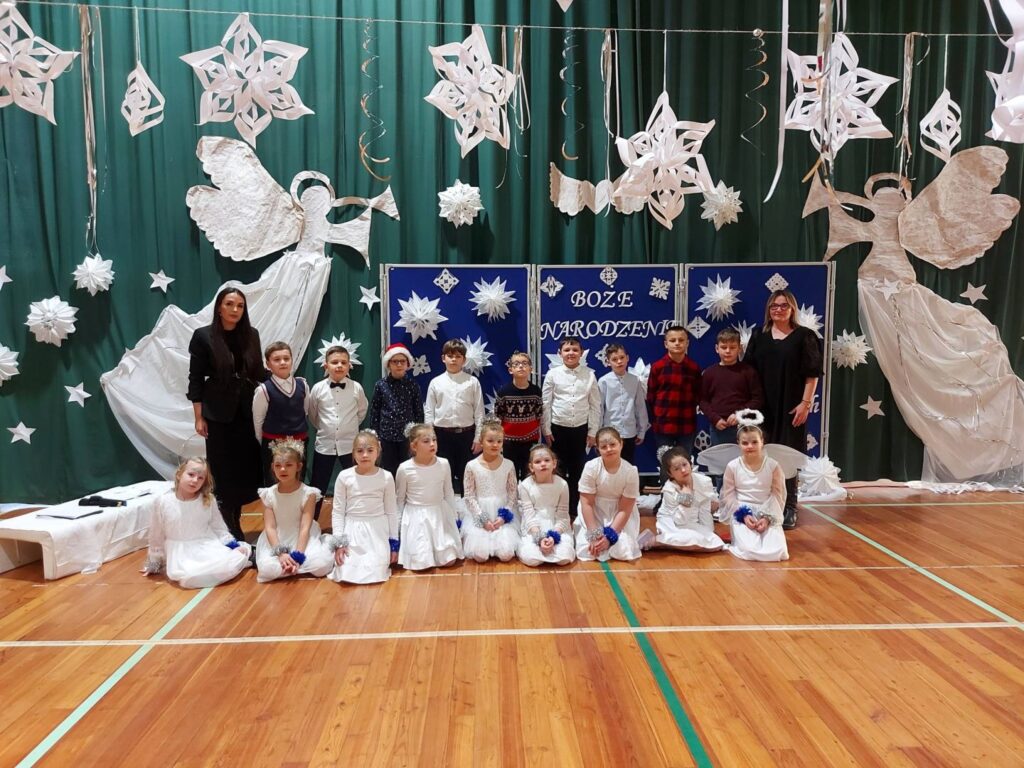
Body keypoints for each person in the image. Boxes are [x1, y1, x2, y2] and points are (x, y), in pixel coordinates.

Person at [187, 286, 265, 541]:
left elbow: (258, 371)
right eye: (229, 304)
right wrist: (198, 416)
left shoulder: (251, 335)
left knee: (244, 469)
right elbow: (195, 379)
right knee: (222, 470)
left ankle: (235, 519)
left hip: (247, 412)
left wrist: (285, 380)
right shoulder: (203, 336)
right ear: (219, 307)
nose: (235, 309)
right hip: (218, 413)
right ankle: (228, 525)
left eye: (240, 306)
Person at [744, 290, 823, 529]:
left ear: (792, 309)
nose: (778, 309)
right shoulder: (758, 335)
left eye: (784, 305)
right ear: (768, 310)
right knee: (760, 454)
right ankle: (763, 503)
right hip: (762, 407)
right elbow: (748, 371)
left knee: (787, 456)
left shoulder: (805, 336)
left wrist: (805, 403)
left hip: (791, 407)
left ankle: (789, 507)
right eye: (774, 306)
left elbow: (812, 374)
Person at [141, 457, 252, 589]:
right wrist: (154, 562)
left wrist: (233, 545)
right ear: (179, 474)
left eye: (200, 478)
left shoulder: (208, 500)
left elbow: (218, 527)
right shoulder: (163, 501)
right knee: (189, 574)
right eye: (191, 474)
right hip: (180, 553)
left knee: (233, 559)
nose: (195, 480)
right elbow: (156, 535)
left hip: (206, 544)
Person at [254, 439, 334, 582]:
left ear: (298, 466)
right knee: (267, 570)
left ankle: (323, 543)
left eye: (288, 465)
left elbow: (305, 527)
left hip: (302, 538)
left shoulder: (308, 493)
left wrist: (298, 556)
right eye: (278, 465)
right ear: (272, 467)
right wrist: (281, 553)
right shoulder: (268, 494)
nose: (282, 469)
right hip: (278, 538)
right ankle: (290, 566)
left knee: (320, 567)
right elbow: (270, 527)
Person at [328, 430, 399, 585]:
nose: (365, 455)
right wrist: (339, 543)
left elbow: (391, 512)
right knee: (346, 570)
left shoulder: (386, 477)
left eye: (370, 450)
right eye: (360, 451)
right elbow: (338, 512)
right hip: (352, 531)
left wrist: (394, 543)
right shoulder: (344, 477)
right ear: (353, 453)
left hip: (377, 531)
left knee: (375, 571)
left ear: (378, 451)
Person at [542, 336, 601, 517]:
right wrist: (546, 429)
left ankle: (575, 508)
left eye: (575, 350)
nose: (571, 353)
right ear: (560, 353)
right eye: (567, 350)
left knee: (577, 470)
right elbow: (546, 403)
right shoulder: (552, 374)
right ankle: (557, 507)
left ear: (581, 353)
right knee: (557, 469)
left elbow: (595, 405)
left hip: (580, 429)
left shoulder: (590, 375)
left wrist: (593, 432)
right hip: (558, 428)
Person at [308, 345, 368, 520]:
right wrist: (327, 428)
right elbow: (313, 414)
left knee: (355, 483)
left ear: (349, 365)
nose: (339, 365)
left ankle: (357, 520)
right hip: (324, 445)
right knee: (317, 486)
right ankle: (312, 524)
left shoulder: (356, 388)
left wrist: (347, 428)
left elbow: (361, 412)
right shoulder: (318, 388)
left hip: (350, 446)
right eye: (335, 362)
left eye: (343, 362)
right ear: (326, 365)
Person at [395, 424, 463, 570]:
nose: (432, 444)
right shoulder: (405, 468)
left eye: (434, 440)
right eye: (426, 441)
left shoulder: (444, 464)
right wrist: (398, 528)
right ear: (414, 446)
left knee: (449, 561)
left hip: (439, 514)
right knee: (421, 563)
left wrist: (454, 517)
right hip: (416, 517)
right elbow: (399, 500)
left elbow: (449, 492)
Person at [720, 422, 789, 562]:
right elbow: (728, 495)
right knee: (749, 550)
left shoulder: (773, 466)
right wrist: (744, 515)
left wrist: (767, 518)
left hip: (768, 510)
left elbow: (778, 495)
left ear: (762, 442)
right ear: (738, 443)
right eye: (745, 443)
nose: (750, 446)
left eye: (754, 442)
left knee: (778, 551)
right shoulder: (733, 466)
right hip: (742, 511)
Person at [424, 339, 484, 495]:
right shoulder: (435, 382)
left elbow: (479, 412)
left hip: (466, 436)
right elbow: (429, 412)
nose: (454, 360)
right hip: (442, 436)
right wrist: (431, 438)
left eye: (458, 356)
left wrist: (478, 438)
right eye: (450, 356)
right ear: (443, 358)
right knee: (444, 479)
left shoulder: (472, 382)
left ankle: (468, 509)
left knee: (468, 479)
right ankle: (446, 509)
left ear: (464, 360)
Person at [574, 427, 642, 561]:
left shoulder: (631, 471)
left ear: (621, 444)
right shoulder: (591, 467)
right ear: (598, 449)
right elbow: (586, 504)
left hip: (619, 514)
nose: (609, 449)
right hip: (594, 512)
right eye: (604, 447)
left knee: (623, 551)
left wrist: (610, 536)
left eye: (613, 444)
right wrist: (594, 535)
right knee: (587, 551)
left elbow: (625, 509)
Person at [461, 418, 520, 562]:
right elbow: (469, 496)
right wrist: (482, 519)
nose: (495, 445)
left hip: (502, 511)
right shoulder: (472, 466)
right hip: (480, 512)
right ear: (481, 441)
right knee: (480, 555)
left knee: (506, 555)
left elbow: (513, 493)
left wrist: (504, 516)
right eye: (490, 441)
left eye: (499, 441)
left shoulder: (509, 464)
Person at [253, 341, 310, 485]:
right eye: (277, 359)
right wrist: (265, 442)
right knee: (274, 482)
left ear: (292, 360)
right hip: (273, 444)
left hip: (299, 442)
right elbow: (258, 420)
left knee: (298, 480)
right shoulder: (263, 390)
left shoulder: (303, 385)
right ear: (268, 364)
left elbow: (305, 411)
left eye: (286, 358)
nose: (283, 362)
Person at [646, 325, 701, 468]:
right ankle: (666, 484)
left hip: (686, 425)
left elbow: (698, 395)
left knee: (685, 463)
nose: (677, 343)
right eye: (672, 340)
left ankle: (685, 484)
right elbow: (651, 396)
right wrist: (655, 419)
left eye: (681, 340)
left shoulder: (693, 368)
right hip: (663, 426)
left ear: (687, 343)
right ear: (666, 344)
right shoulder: (657, 367)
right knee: (666, 464)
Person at [699, 328, 764, 448]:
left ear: (740, 348)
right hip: (719, 427)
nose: (728, 351)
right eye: (724, 347)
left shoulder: (748, 372)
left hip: (745, 426)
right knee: (720, 459)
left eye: (732, 347)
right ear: (717, 348)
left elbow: (757, 399)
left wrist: (739, 414)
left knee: (746, 458)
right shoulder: (709, 373)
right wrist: (715, 419)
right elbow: (703, 400)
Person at [369, 343, 424, 478]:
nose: (399, 364)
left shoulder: (413, 385)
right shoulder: (380, 385)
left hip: (407, 437)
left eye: (402, 361)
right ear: (388, 364)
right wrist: (375, 437)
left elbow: (418, 412)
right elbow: (375, 411)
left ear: (407, 363)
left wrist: (417, 436)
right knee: (389, 471)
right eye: (395, 361)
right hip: (386, 437)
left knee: (408, 471)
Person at [654, 448, 724, 552]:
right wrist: (686, 500)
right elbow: (679, 521)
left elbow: (704, 511)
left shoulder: (704, 482)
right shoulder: (670, 489)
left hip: (693, 523)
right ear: (670, 473)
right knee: (691, 539)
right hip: (672, 523)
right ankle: (659, 540)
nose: (683, 470)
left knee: (714, 542)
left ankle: (668, 544)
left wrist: (709, 532)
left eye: (685, 465)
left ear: (690, 464)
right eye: (676, 469)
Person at [517, 444, 575, 566]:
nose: (543, 464)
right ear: (531, 467)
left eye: (547, 460)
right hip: (534, 528)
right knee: (532, 559)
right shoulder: (525, 486)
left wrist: (553, 537)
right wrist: (540, 538)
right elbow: (529, 516)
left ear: (554, 463)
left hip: (556, 527)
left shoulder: (562, 484)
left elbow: (563, 516)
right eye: (538, 462)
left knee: (564, 558)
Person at [494, 351, 543, 481]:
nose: (521, 366)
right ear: (510, 370)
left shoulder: (536, 391)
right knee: (511, 476)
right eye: (516, 364)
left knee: (529, 475)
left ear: (530, 369)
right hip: (509, 442)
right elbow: (498, 416)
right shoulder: (504, 392)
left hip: (530, 441)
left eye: (524, 363)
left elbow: (539, 414)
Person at [598, 343, 649, 465]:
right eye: (614, 359)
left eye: (622, 357)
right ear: (608, 362)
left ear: (627, 358)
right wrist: (598, 433)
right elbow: (599, 409)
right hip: (610, 431)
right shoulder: (604, 381)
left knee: (627, 464)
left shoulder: (635, 380)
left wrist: (642, 430)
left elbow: (640, 406)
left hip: (629, 432)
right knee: (609, 464)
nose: (619, 362)